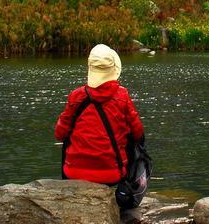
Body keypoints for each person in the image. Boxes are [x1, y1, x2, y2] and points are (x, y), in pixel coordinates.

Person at [55, 44, 144, 184]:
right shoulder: (122, 96)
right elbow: (138, 133)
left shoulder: (76, 96)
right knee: (131, 133)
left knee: (68, 131)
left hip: (73, 173)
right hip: (112, 175)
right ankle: (130, 184)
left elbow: (59, 134)